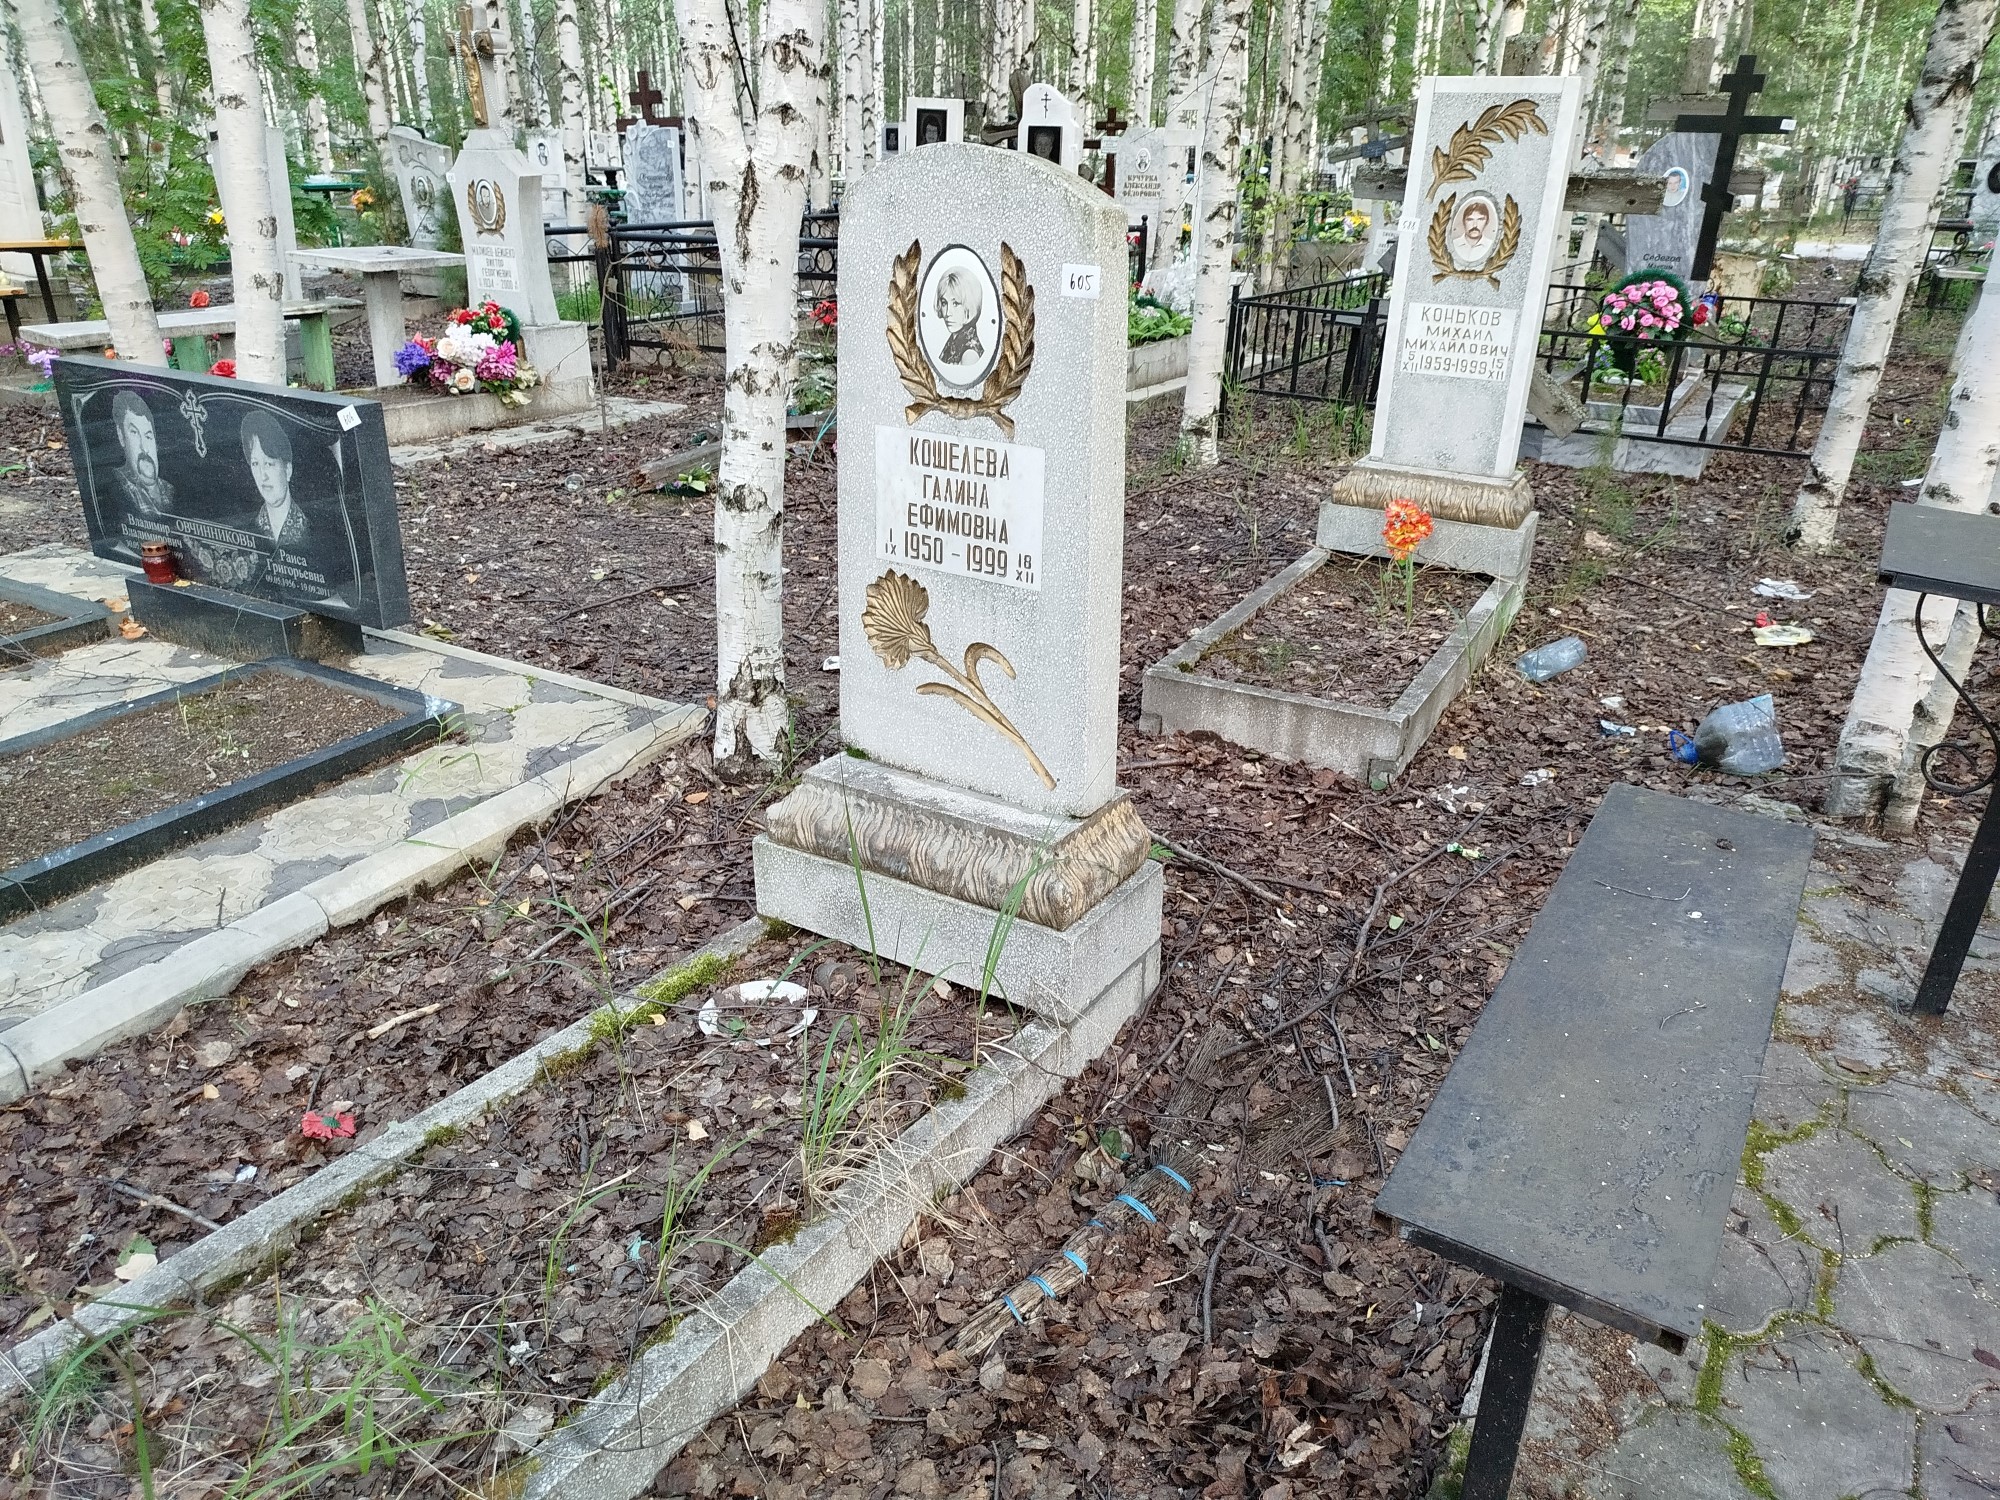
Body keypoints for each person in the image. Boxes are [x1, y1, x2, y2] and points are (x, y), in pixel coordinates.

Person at [108, 391, 174, 517]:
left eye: (148, 436)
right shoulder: (119, 488)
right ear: (121, 436)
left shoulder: (170, 489)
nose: (144, 448)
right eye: (134, 433)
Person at [933, 269, 985, 368]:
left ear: (969, 305)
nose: (948, 313)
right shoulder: (953, 342)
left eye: (955, 303)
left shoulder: (969, 355)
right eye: (944, 303)